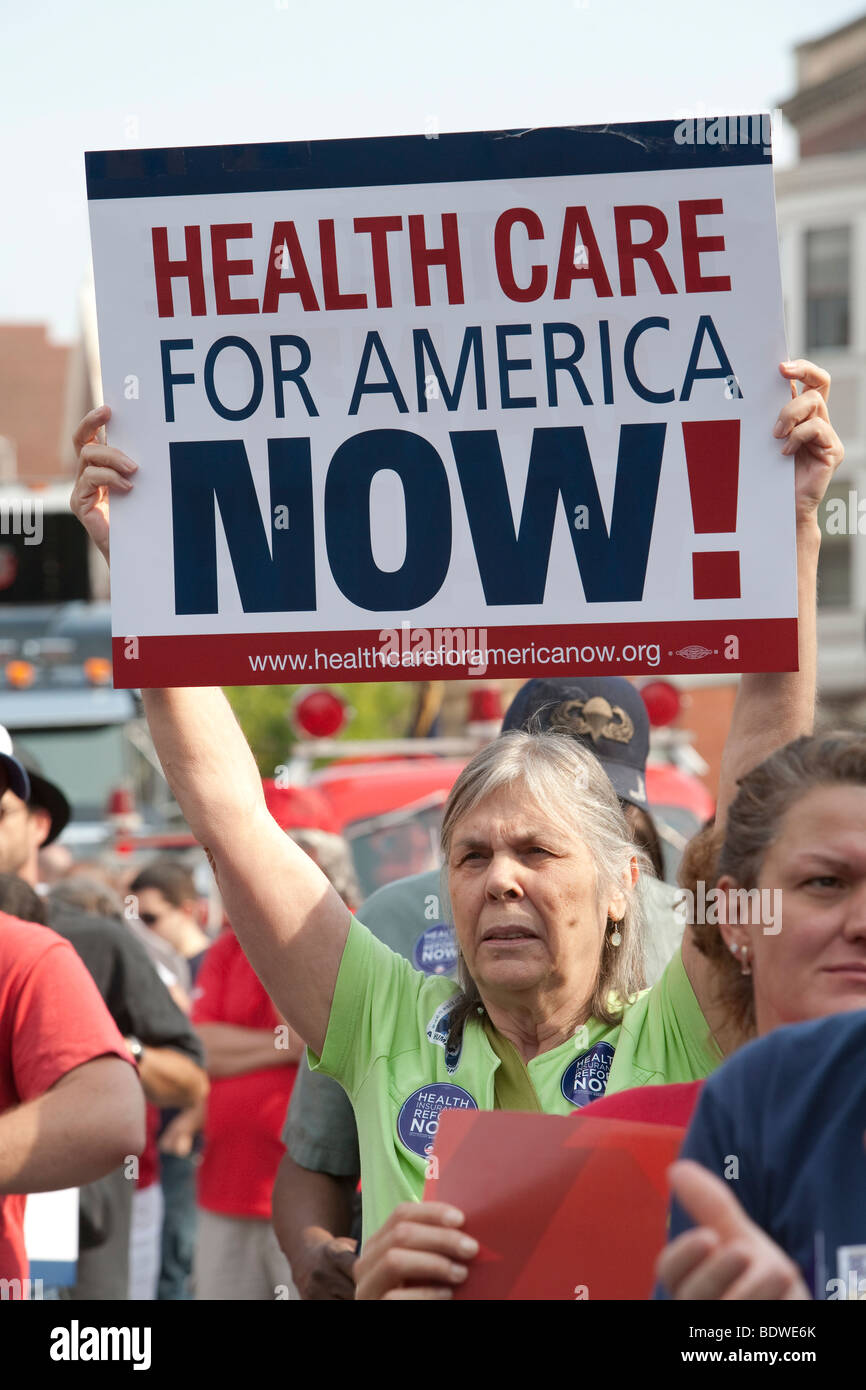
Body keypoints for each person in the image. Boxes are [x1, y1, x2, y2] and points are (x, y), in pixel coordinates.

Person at [69, 358, 841, 1286]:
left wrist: (793, 528)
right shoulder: (385, 1018)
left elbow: (762, 806)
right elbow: (232, 820)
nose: (499, 878)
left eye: (537, 851)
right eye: (470, 855)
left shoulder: (684, 1021)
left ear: (621, 889)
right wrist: (147, 581)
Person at [273, 672, 681, 1298]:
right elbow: (317, 1153)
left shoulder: (687, 932)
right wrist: (318, 1256)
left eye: (601, 802)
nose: (503, 883)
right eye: (475, 855)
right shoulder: (388, 929)